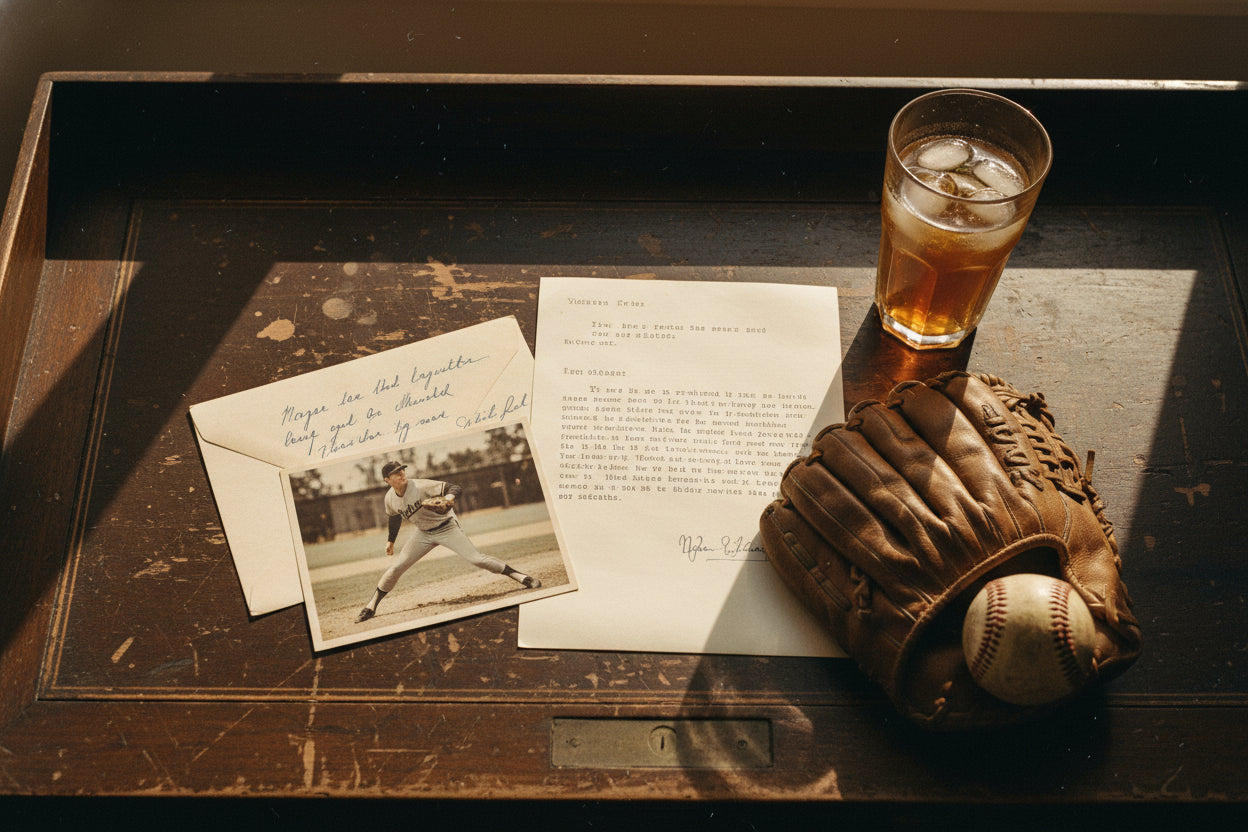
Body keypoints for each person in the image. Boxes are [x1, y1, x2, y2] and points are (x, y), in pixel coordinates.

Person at [355, 461, 541, 623]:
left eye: (402, 470)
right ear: (387, 480)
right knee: (397, 567)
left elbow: (455, 487)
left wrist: (449, 497)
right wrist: (391, 541)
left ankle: (523, 577)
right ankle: (371, 607)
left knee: (476, 559)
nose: (401, 473)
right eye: (396, 472)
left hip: (447, 527)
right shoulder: (389, 498)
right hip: (423, 534)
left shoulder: (420, 486)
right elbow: (394, 517)